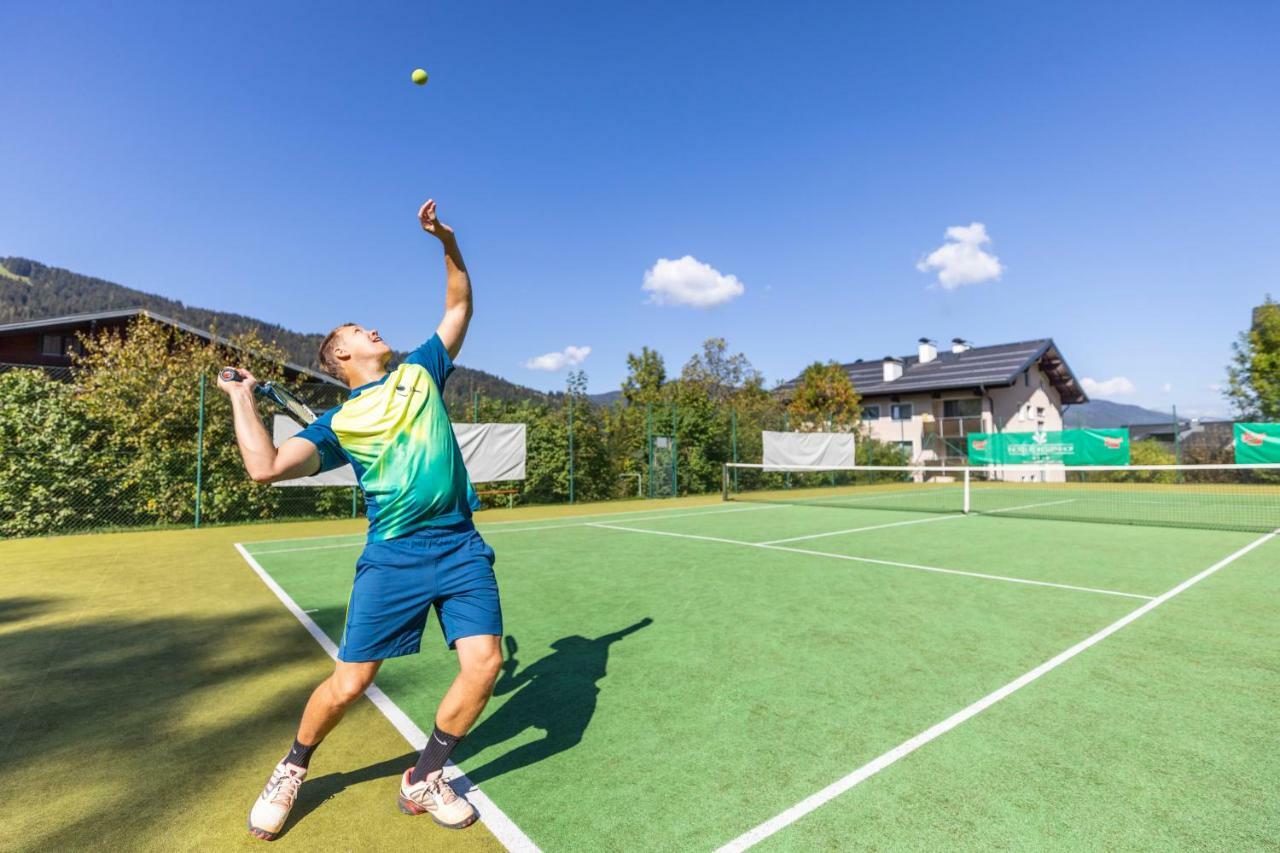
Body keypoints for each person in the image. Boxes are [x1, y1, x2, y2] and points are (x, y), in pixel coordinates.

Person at [217, 199, 502, 840]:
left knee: (484, 664)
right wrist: (242, 399)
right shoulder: (337, 424)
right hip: (394, 555)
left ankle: (423, 777)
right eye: (358, 332)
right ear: (339, 358)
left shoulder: (422, 372)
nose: (373, 332)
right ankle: (293, 767)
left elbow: (459, 306)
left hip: (460, 546)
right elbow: (263, 467)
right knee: (349, 684)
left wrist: (447, 243)